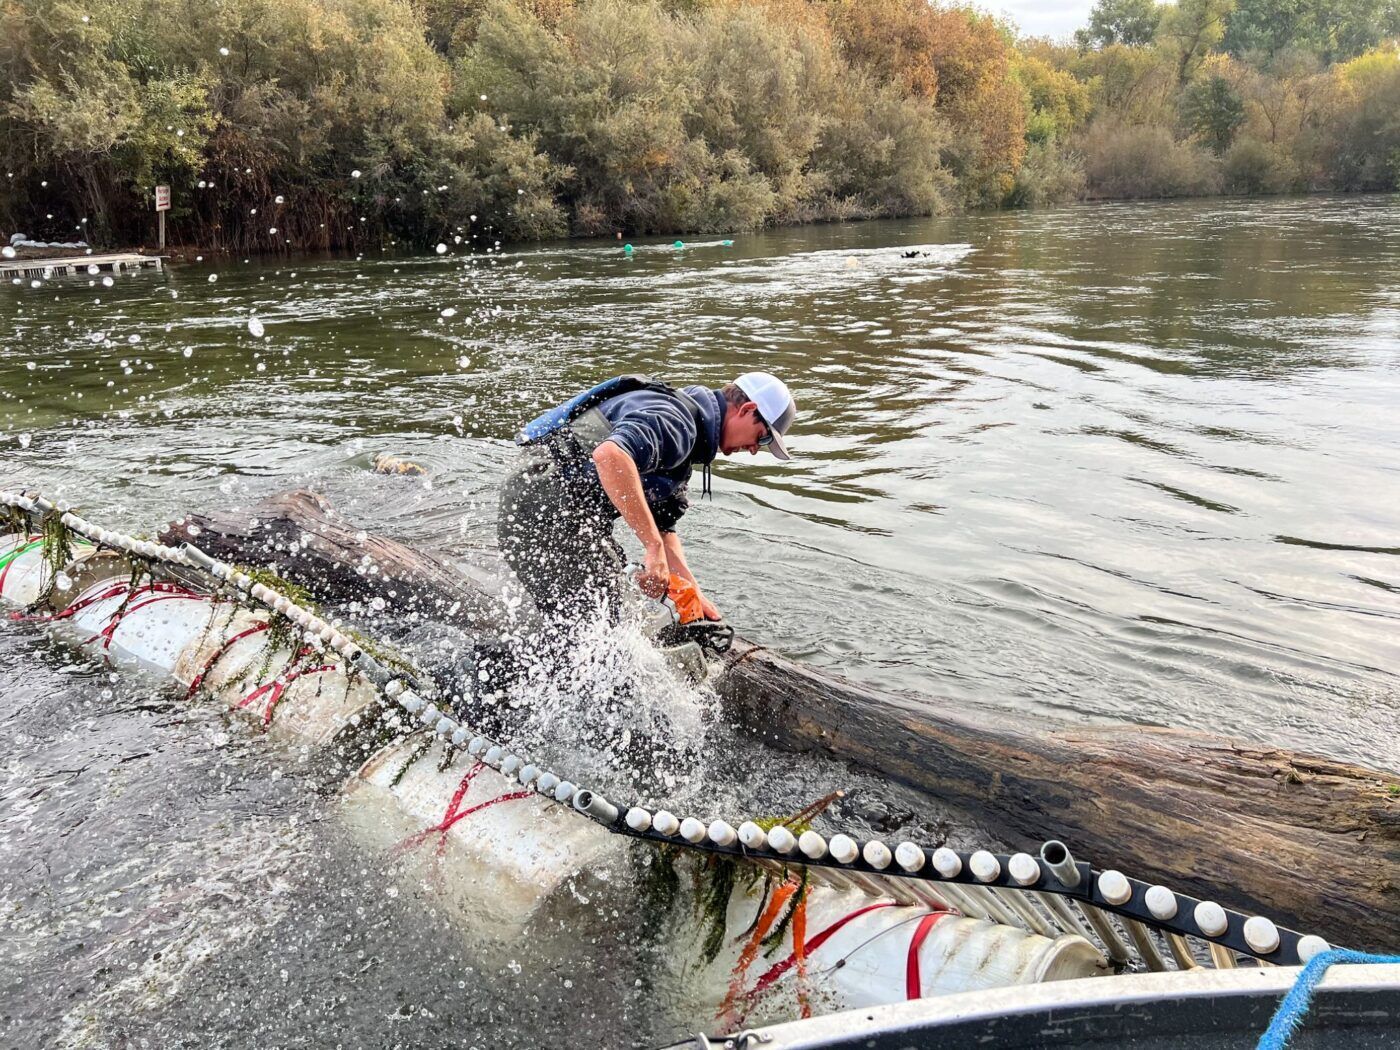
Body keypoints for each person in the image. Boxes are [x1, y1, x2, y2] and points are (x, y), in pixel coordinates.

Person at [497, 372, 796, 630]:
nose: (756, 449)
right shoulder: (677, 421)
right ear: (747, 409)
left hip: (556, 510)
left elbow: (664, 529)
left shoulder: (691, 436)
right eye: (764, 437)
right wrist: (652, 549)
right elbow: (610, 456)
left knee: (606, 612)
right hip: (541, 506)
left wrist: (694, 593)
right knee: (600, 625)